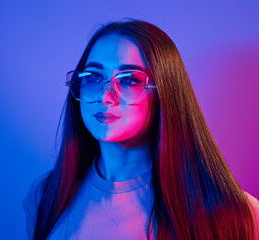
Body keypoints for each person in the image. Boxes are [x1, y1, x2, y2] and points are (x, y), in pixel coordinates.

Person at [23, 19, 259, 240]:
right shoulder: (47, 196)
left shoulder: (232, 212)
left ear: (165, 93)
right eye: (93, 78)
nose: (106, 97)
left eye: (129, 80)